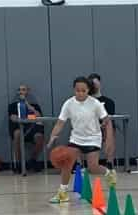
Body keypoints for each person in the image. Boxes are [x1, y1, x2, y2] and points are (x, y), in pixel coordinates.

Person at [47, 76, 116, 204]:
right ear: (74, 90)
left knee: (93, 167)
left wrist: (109, 139)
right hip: (76, 138)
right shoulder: (68, 103)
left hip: (93, 138)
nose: (80, 93)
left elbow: (107, 120)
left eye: (83, 90)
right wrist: (53, 136)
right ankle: (62, 193)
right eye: (77, 90)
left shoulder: (95, 103)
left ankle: (108, 172)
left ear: (88, 90)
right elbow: (60, 123)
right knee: (67, 164)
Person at [8, 84, 44, 173]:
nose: (21, 92)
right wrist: (27, 117)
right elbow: (13, 118)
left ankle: (32, 161)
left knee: (39, 136)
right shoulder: (12, 106)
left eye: (23, 90)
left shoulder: (34, 106)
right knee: (17, 134)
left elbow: (38, 116)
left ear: (27, 92)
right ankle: (19, 163)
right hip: (19, 129)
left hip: (32, 129)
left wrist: (27, 105)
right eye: (19, 90)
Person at [88, 73, 116, 170]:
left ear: (100, 84)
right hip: (90, 128)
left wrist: (103, 125)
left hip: (104, 127)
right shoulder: (86, 102)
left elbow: (109, 118)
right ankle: (79, 165)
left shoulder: (109, 102)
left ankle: (109, 162)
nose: (94, 86)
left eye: (96, 83)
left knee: (110, 127)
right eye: (92, 84)